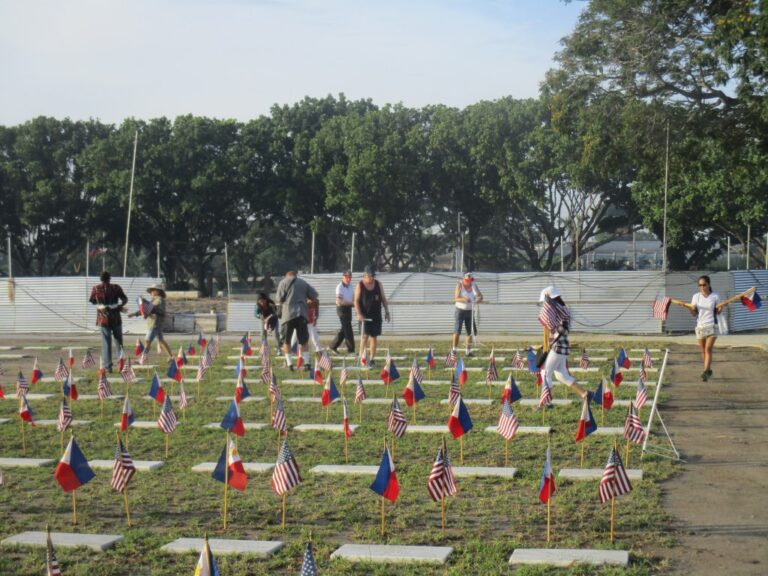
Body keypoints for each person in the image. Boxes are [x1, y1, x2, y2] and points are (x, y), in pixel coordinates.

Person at [538, 286, 589, 400]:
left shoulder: (557, 309)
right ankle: (585, 394)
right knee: (562, 376)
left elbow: (555, 328)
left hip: (558, 347)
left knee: (545, 373)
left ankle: (546, 402)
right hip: (563, 347)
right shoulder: (562, 308)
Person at [275, 271, 319, 371]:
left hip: (288, 315)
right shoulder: (303, 282)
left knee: (286, 341)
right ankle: (307, 363)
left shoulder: (283, 282)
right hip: (302, 314)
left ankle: (290, 364)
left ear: (287, 275)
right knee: (303, 341)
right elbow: (315, 295)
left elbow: (278, 298)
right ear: (296, 275)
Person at [89, 271, 128, 372]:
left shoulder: (96, 288)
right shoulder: (116, 287)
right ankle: (121, 365)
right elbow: (125, 299)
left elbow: (92, 300)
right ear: (109, 278)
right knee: (119, 342)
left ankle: (108, 367)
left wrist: (100, 304)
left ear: (101, 279)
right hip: (116, 317)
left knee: (106, 342)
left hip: (103, 317)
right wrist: (119, 306)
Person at [687, 275, 723, 381]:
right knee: (703, 351)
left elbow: (719, 312)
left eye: (704, 285)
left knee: (708, 349)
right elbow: (694, 314)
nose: (702, 287)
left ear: (709, 284)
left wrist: (721, 307)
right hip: (700, 326)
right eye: (700, 285)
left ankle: (706, 372)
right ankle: (708, 371)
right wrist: (689, 308)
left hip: (712, 325)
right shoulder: (696, 297)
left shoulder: (715, 296)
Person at [354, 265, 390, 368]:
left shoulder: (378, 284)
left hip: (376, 315)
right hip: (364, 315)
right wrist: (359, 313)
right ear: (364, 276)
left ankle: (372, 358)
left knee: (374, 337)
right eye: (369, 276)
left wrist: (387, 312)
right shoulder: (360, 285)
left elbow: (383, 298)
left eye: (372, 276)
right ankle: (362, 357)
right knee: (364, 336)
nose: (371, 278)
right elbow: (356, 301)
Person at [127, 284, 174, 360]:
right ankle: (171, 356)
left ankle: (143, 358)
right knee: (161, 341)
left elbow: (153, 309)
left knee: (147, 340)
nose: (151, 292)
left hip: (155, 323)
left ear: (158, 291)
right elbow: (146, 309)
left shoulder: (159, 300)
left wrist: (147, 305)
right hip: (155, 323)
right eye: (151, 290)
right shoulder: (154, 300)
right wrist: (133, 314)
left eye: (153, 290)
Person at [452, 272, 483, 356]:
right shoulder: (459, 284)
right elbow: (456, 298)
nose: (468, 282)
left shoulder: (473, 285)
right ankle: (454, 349)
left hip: (470, 310)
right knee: (457, 330)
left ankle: (468, 351)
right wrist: (464, 299)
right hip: (460, 310)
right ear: (464, 279)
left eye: (470, 280)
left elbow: (480, 296)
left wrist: (478, 300)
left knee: (470, 331)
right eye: (467, 280)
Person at [329, 270, 356, 355]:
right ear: (343, 277)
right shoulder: (339, 287)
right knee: (348, 329)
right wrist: (352, 303)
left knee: (344, 329)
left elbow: (353, 298)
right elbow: (339, 301)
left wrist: (354, 305)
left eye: (350, 277)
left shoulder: (351, 286)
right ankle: (351, 350)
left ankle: (333, 346)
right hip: (341, 309)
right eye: (347, 277)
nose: (349, 279)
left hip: (349, 309)